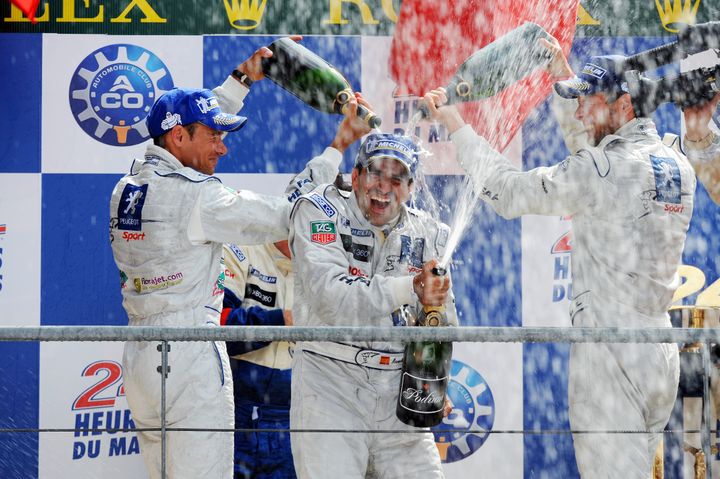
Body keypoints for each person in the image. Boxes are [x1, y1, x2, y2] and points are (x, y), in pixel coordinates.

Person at [422, 38, 714, 478]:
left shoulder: (604, 170)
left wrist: (456, 126)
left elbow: (509, 192)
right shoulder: (674, 159)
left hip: (609, 355)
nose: (578, 112)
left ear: (623, 106)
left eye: (587, 102)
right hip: (658, 352)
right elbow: (597, 156)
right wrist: (563, 72)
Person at [108, 36, 371, 478]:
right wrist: (339, 186)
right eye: (214, 136)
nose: (223, 147)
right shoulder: (200, 199)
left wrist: (241, 80)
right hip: (190, 361)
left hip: (141, 362)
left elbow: (187, 121)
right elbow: (292, 216)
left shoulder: (129, 186)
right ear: (178, 137)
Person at [288, 132, 456, 478]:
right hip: (329, 381)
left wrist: (434, 380)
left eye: (397, 179)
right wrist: (411, 286)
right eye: (375, 173)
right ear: (355, 176)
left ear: (410, 188)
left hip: (398, 391)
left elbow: (441, 317)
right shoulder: (320, 210)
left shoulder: (429, 232)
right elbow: (331, 298)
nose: (384, 187)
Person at [220, 240, 295, 479]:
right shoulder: (239, 250)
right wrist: (280, 320)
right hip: (235, 414)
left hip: (292, 418)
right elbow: (217, 326)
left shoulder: (323, 262)